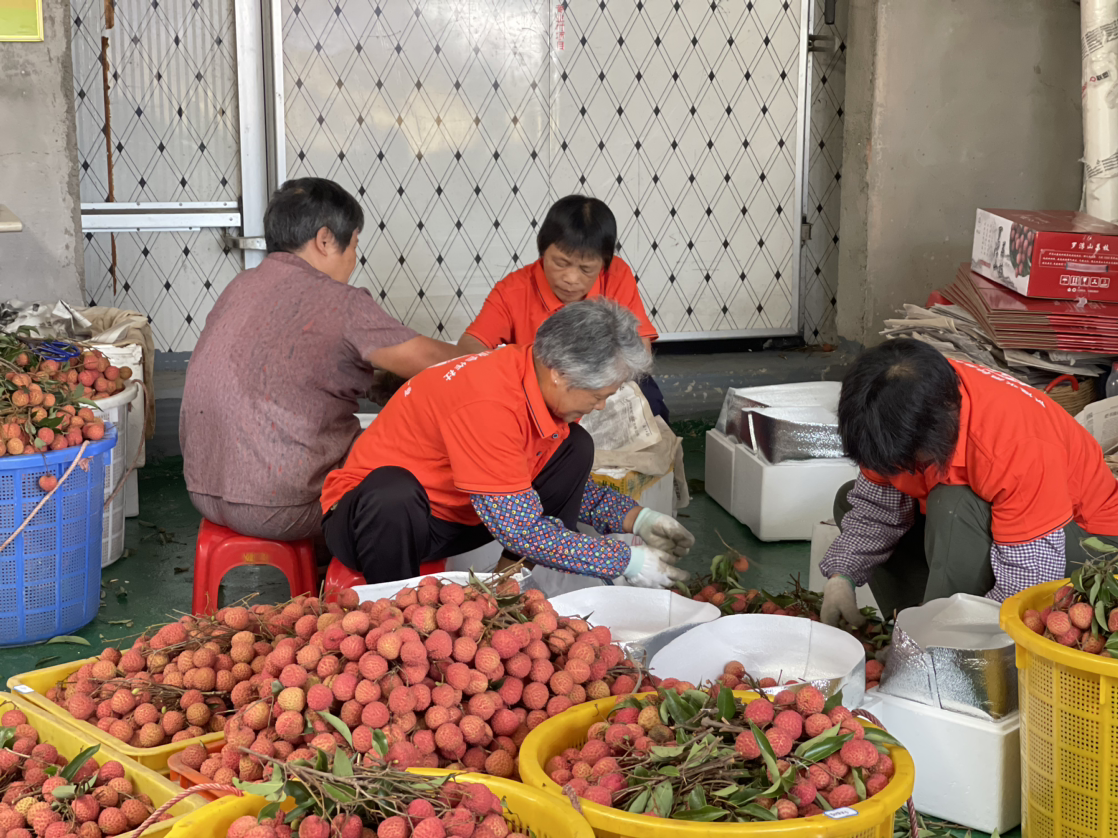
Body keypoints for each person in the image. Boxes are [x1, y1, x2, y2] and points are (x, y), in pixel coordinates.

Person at [320, 298, 694, 586]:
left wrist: (636, 518)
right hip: (376, 526)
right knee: (393, 493)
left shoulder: (537, 378)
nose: (599, 407)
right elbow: (521, 528)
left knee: (575, 447)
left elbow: (534, 481)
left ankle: (506, 584)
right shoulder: (488, 403)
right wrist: (624, 561)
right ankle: (396, 618)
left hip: (459, 515)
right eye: (598, 396)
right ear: (560, 374)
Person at [181, 178, 462, 543]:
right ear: (326, 239)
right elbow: (442, 364)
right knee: (422, 465)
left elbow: (293, 369)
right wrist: (508, 357)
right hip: (286, 507)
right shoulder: (341, 302)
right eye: (354, 246)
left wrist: (377, 382)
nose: (354, 260)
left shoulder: (240, 286)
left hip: (203, 492)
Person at [819, 339, 1118, 629]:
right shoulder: (894, 408)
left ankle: (938, 635)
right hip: (1008, 534)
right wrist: (842, 575)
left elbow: (1029, 585)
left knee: (953, 504)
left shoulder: (1016, 445)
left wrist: (956, 630)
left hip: (1088, 551)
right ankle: (914, 618)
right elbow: (876, 510)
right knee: (850, 498)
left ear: (936, 433)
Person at [456, 195, 670, 420]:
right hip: (546, 391)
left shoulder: (617, 274)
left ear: (604, 263)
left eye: (586, 269)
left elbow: (639, 346)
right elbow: (469, 346)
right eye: (561, 263)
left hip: (606, 384)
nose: (571, 278)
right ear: (542, 251)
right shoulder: (513, 290)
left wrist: (606, 388)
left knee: (650, 406)